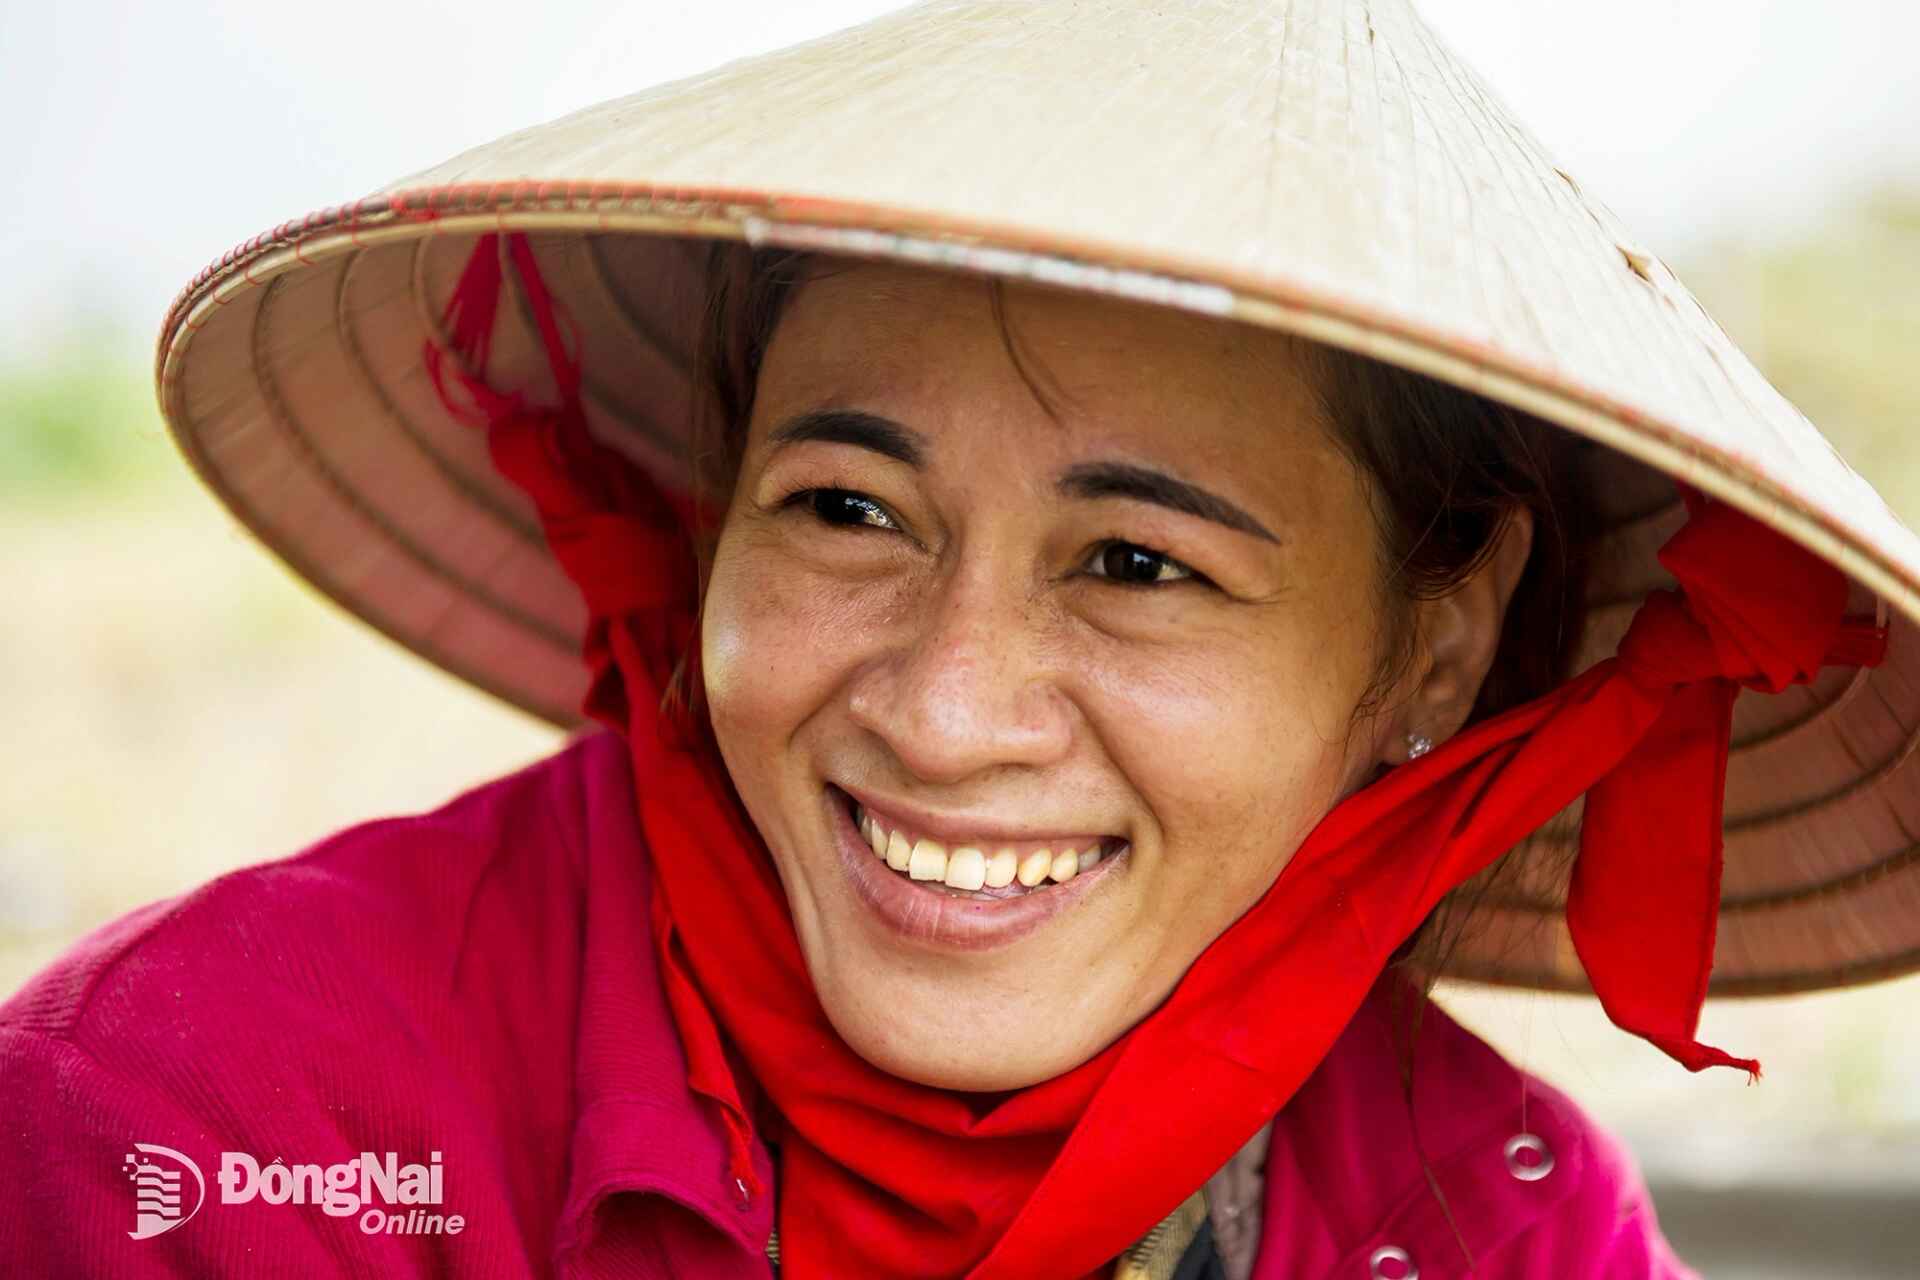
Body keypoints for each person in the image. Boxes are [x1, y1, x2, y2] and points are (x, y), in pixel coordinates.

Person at [4, 1, 1917, 1277]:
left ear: (1433, 651)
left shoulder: (1495, 1232)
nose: (942, 709)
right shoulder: (210, 1129)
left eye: (1138, 564)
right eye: (849, 511)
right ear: (713, 511)